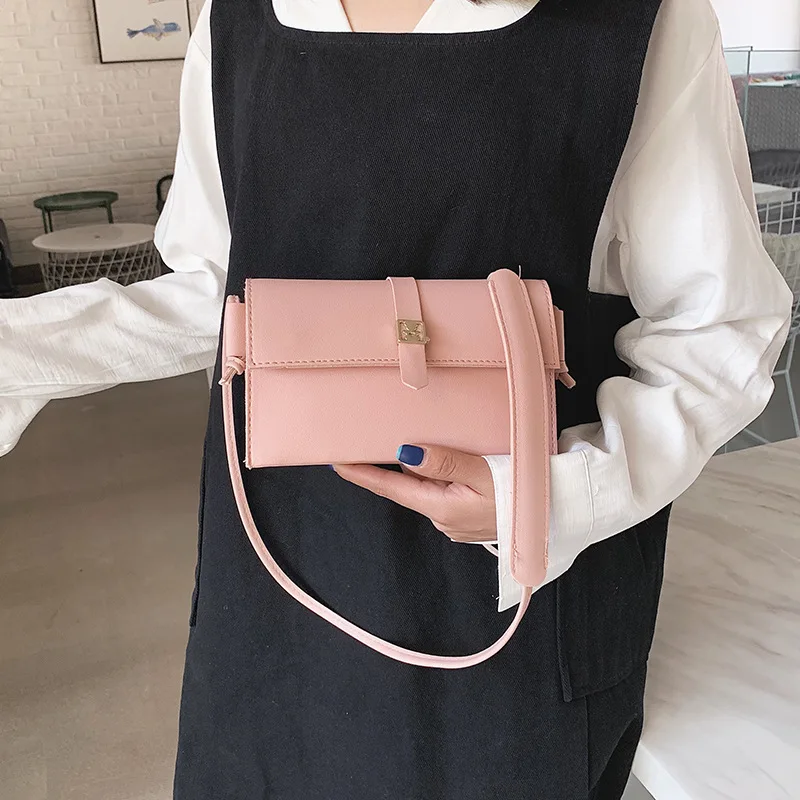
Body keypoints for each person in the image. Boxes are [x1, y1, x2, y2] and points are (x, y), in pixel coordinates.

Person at [1, 0, 793, 797]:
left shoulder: (638, 20)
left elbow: (719, 322)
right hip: (277, 562)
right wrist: (19, 351)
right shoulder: (237, 19)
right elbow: (220, 287)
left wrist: (555, 495)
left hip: (514, 586)